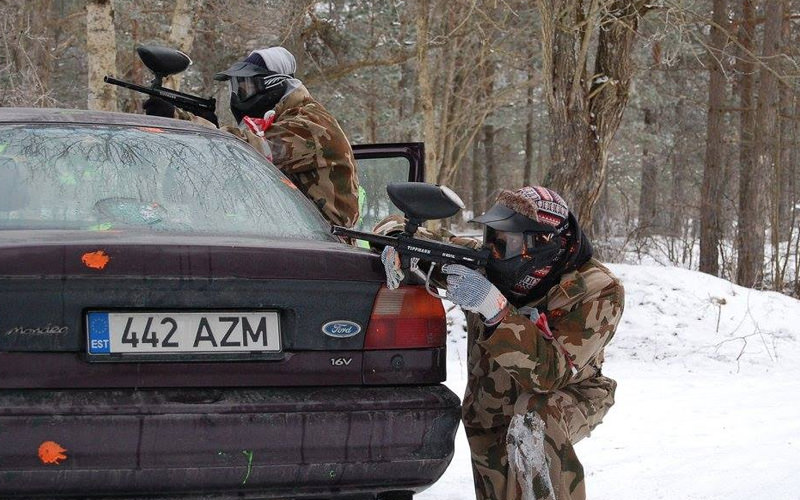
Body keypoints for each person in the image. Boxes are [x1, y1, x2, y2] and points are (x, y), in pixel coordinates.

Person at [380, 186, 624, 500]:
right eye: (491, 236)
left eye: (506, 241)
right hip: (490, 398)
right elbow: (401, 230)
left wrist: (495, 309)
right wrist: (400, 244)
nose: (493, 249)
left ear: (541, 245)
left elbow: (551, 372)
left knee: (535, 417)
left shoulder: (598, 290)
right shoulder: (486, 262)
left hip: (568, 393)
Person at [144, 46, 360, 228]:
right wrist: (200, 125)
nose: (239, 95)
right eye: (237, 87)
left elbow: (247, 153)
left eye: (247, 87)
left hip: (328, 246)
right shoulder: (283, 119)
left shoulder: (311, 124)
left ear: (274, 84)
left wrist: (189, 123)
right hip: (298, 237)